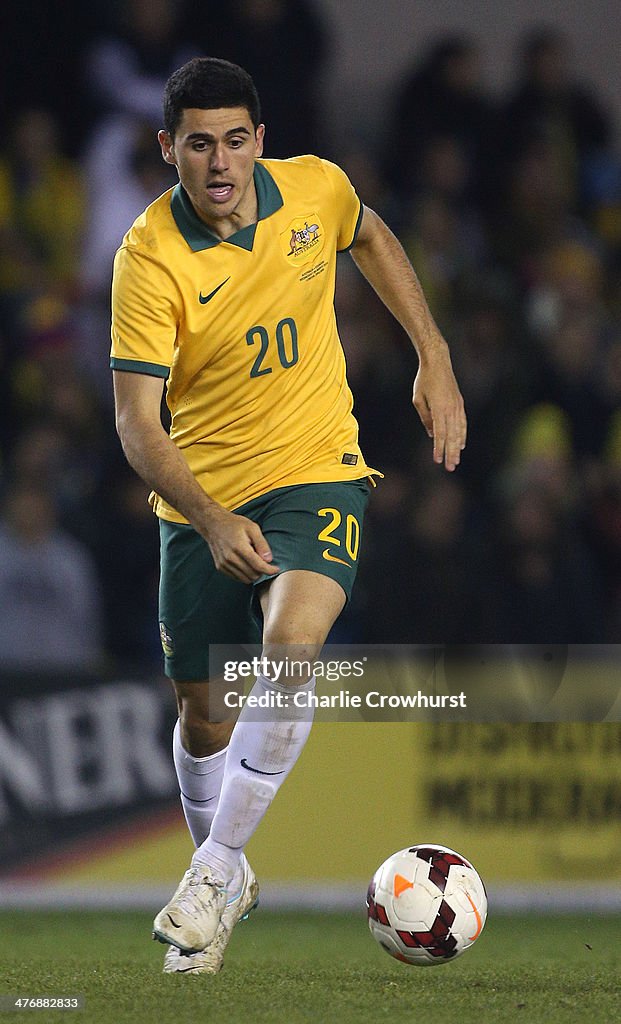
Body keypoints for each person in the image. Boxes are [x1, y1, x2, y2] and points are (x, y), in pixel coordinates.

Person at [110, 57, 466, 974]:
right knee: (203, 719)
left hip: (317, 471)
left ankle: (216, 868)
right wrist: (208, 513)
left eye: (234, 139)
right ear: (168, 151)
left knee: (293, 644)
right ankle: (218, 869)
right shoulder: (150, 259)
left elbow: (372, 234)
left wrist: (434, 354)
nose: (219, 162)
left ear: (259, 141)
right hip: (199, 503)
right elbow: (136, 426)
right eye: (198, 144)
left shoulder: (315, 189)